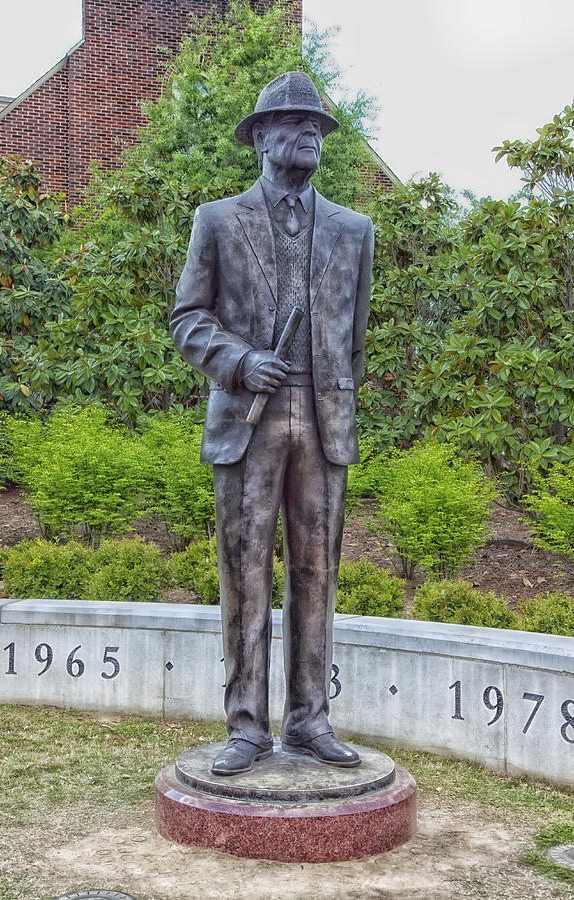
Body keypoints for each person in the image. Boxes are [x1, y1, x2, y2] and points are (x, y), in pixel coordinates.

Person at [170, 71, 374, 775]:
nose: (309, 131)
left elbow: (354, 335)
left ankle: (309, 721)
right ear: (259, 137)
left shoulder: (354, 230)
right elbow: (188, 317)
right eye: (291, 122)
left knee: (317, 572)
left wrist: (326, 391)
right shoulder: (218, 220)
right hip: (246, 417)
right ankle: (247, 727)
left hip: (324, 419)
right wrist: (237, 360)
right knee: (245, 573)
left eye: (315, 122)